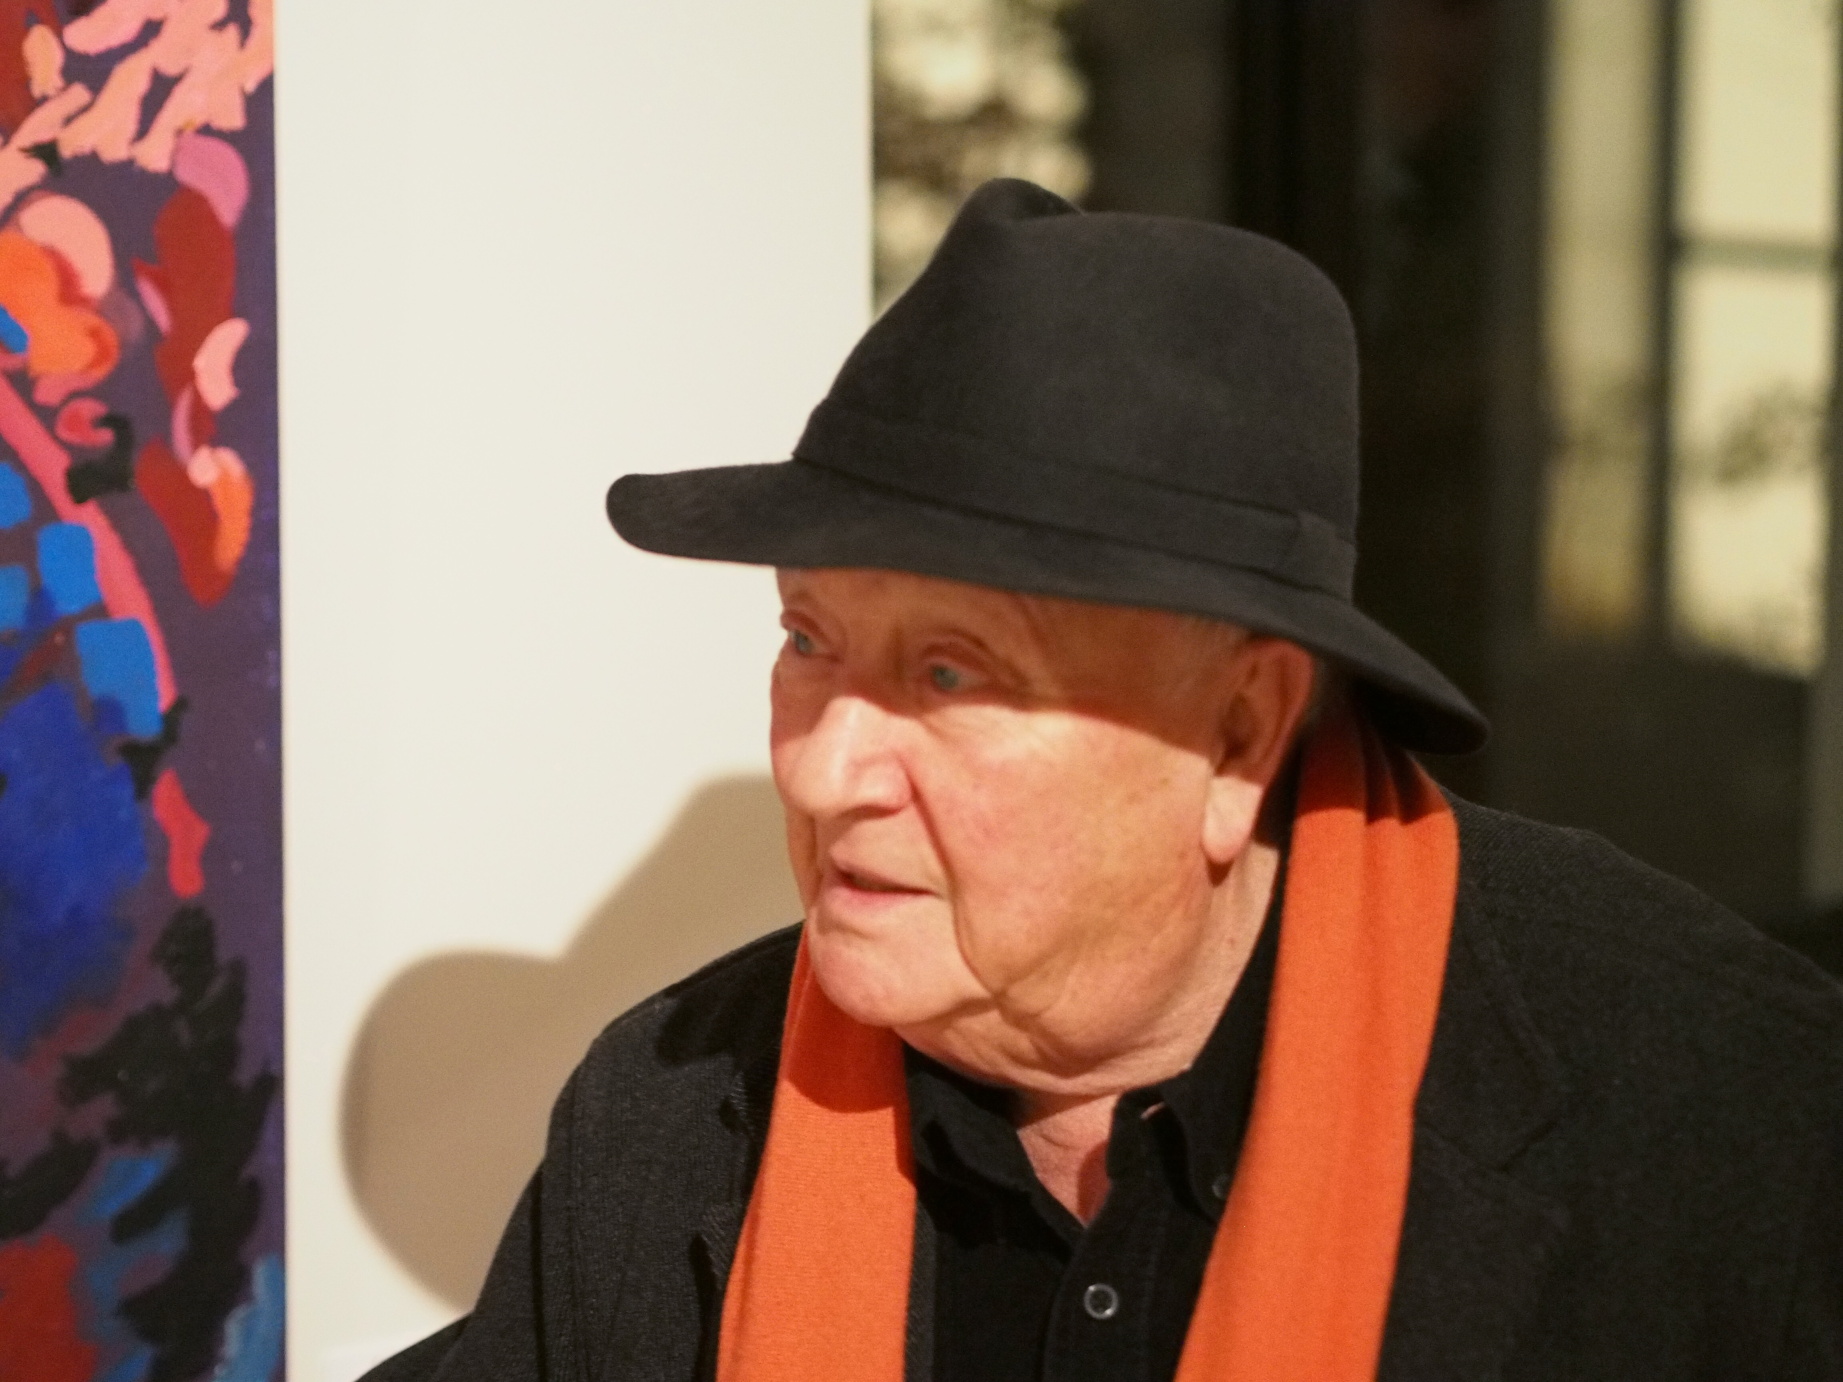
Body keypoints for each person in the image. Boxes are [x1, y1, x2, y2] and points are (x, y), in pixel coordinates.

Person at [368, 180, 1843, 1382]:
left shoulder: (1725, 1121)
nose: (821, 767)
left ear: (1239, 737)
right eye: (807, 639)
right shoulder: (671, 1113)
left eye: (953, 674)